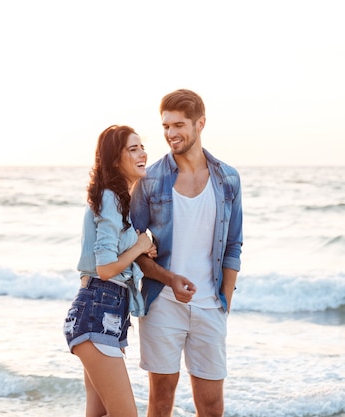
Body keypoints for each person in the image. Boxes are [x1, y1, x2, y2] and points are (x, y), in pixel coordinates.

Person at [131, 89, 243, 417]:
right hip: (162, 303)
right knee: (161, 400)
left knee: (211, 406)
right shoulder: (150, 180)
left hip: (210, 306)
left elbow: (234, 245)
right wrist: (169, 279)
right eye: (165, 126)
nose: (170, 134)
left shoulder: (228, 179)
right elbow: (132, 247)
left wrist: (224, 301)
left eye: (178, 125)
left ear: (200, 124)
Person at [63, 125, 156, 417]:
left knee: (99, 414)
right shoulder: (109, 198)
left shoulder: (120, 201)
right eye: (133, 148)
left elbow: (117, 257)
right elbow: (104, 269)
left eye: (142, 147)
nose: (142, 153)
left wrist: (141, 248)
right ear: (115, 160)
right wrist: (139, 247)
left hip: (108, 313)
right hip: (97, 311)